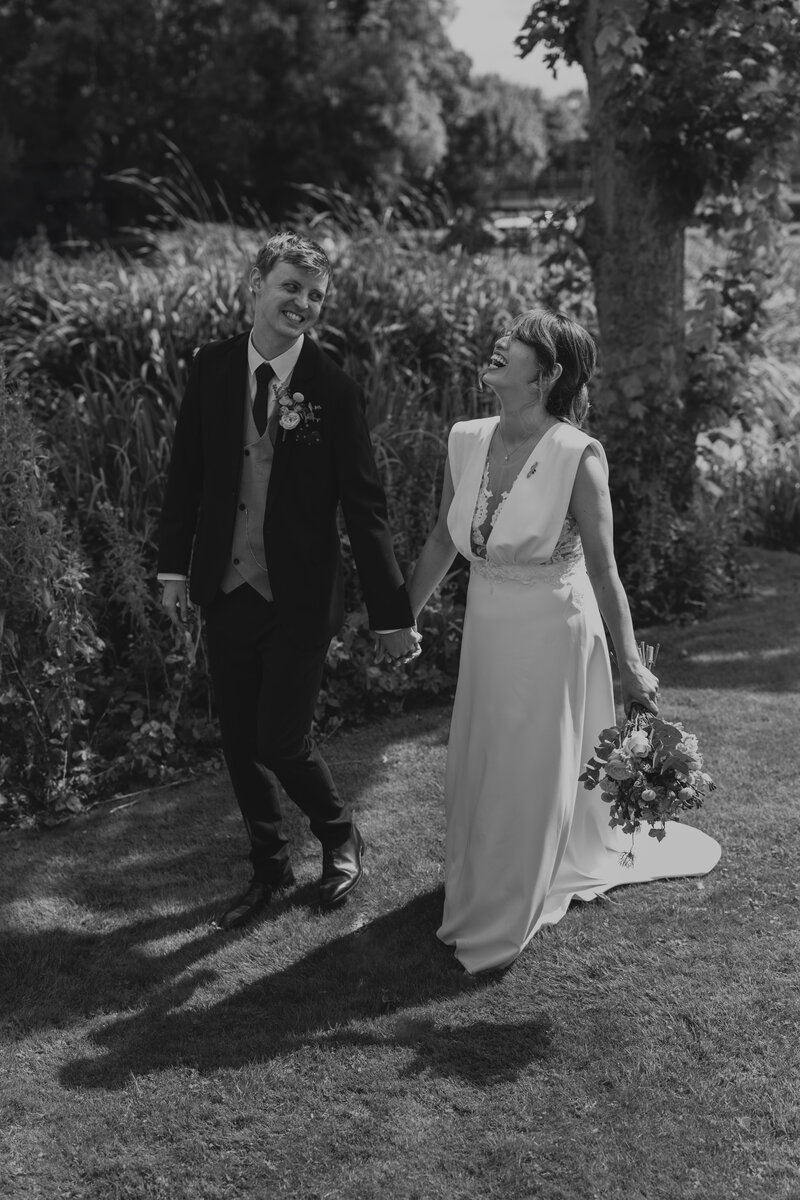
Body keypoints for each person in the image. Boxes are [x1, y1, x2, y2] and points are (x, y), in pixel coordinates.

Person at [408, 308, 721, 974]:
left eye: (519, 343)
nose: (500, 343)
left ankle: (508, 902)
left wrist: (631, 665)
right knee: (487, 751)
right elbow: (443, 539)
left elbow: (606, 570)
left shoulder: (577, 455)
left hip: (554, 626)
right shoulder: (465, 439)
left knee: (530, 762)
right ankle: (484, 872)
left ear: (547, 375)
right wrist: (398, 617)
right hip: (489, 625)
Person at [158, 231, 420, 930]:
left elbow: (365, 507)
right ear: (255, 286)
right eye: (291, 287)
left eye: (316, 295)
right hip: (226, 586)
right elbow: (186, 475)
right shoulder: (211, 367)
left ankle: (338, 835)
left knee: (281, 739)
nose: (303, 303)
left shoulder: (332, 387)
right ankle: (269, 866)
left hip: (301, 595)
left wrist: (393, 616)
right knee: (239, 742)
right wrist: (172, 566)